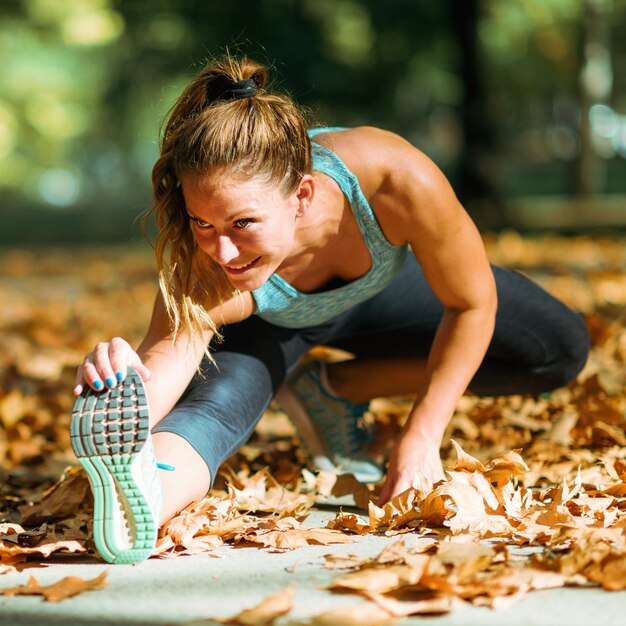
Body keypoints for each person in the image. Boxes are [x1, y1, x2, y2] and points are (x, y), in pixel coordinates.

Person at [70, 55, 590, 564]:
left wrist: (422, 433)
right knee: (211, 412)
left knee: (557, 347)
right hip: (268, 329)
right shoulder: (209, 269)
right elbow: (165, 367)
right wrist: (123, 384)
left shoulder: (395, 179)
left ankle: (334, 390)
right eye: (202, 224)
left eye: (242, 223)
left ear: (302, 195)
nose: (221, 251)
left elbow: (472, 303)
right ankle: (140, 497)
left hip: (385, 295)